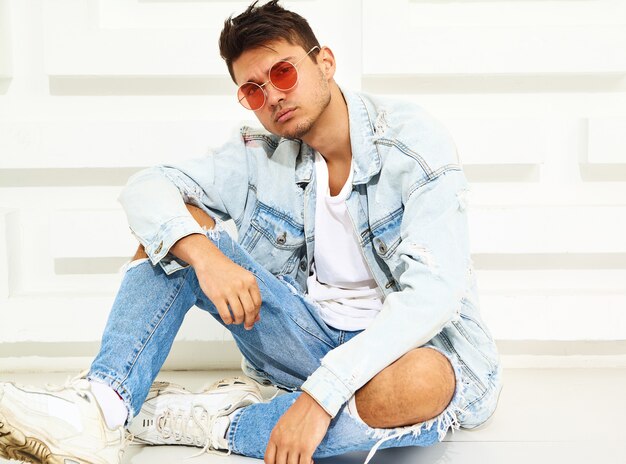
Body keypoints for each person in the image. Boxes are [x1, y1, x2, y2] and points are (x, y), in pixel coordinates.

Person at [0, 1, 502, 463]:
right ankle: (103, 411)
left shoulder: (412, 143)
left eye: (283, 72)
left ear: (324, 62)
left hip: (397, 355)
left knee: (423, 384)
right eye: (253, 90)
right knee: (179, 230)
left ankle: (208, 422)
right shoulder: (261, 152)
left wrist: (322, 395)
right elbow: (147, 187)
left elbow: (434, 297)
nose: (274, 96)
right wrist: (206, 256)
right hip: (303, 339)